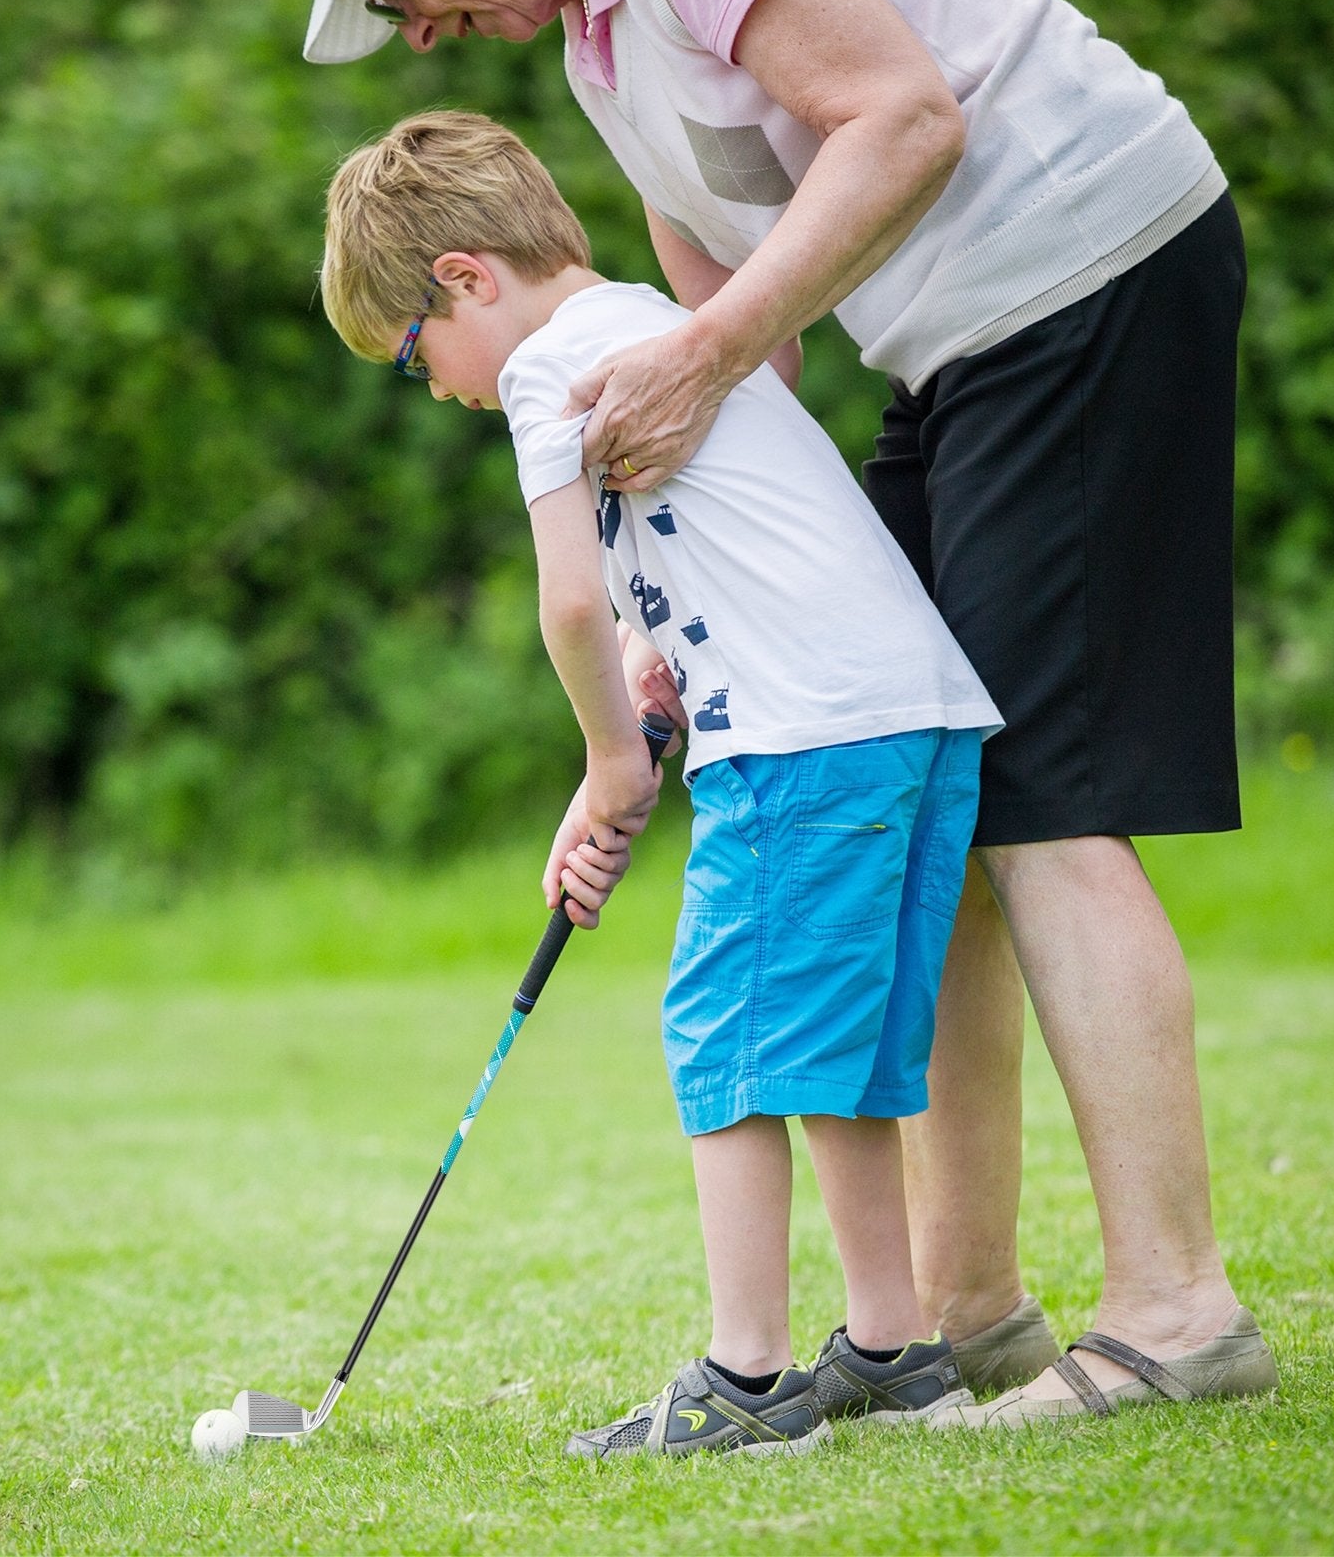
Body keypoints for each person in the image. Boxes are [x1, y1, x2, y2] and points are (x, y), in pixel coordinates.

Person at [281, 0, 1280, 1424]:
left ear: (460, 284)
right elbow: (743, 355)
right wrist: (698, 613)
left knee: (1049, 798)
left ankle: (1176, 1314)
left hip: (1078, 274)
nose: (411, 25)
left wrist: (619, 758)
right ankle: (953, 1320)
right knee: (967, 814)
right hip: (950, 356)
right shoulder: (596, 62)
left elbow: (899, 127)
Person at [321, 107, 1005, 1456]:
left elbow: (566, 604)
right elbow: (672, 576)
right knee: (841, 1056)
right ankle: (891, 1349)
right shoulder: (664, 320)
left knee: (726, 1039)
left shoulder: (541, 372)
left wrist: (610, 764)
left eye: (414, 353)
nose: (437, 385)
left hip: (805, 739)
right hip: (915, 716)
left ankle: (748, 1383)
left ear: (464, 276)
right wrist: (653, 669)